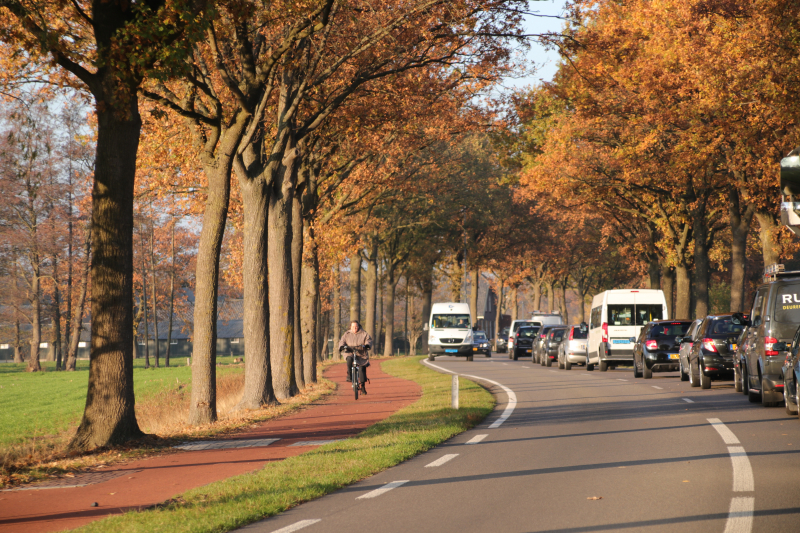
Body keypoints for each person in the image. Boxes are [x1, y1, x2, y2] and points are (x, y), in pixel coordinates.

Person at [339, 320, 373, 391]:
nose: (355, 328)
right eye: (353, 326)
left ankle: (363, 386)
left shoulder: (364, 333)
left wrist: (367, 345)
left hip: (361, 353)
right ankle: (349, 375)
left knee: (361, 368)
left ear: (359, 326)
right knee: (349, 359)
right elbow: (342, 341)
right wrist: (342, 346)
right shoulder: (347, 334)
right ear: (350, 327)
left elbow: (368, 340)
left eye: (356, 326)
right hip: (350, 352)